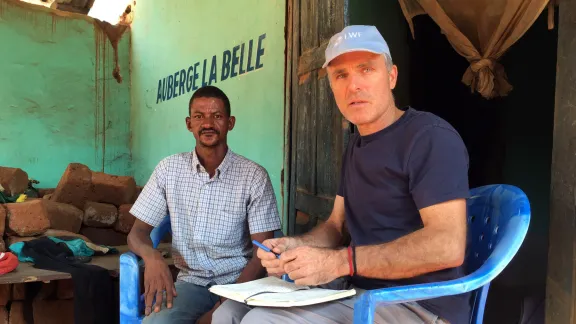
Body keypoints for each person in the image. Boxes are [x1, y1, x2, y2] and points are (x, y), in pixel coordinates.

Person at [213, 25, 470, 324]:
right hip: (359, 289)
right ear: (333, 86)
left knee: (261, 322)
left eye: (366, 69)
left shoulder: (428, 138)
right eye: (341, 75)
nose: (354, 86)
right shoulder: (356, 146)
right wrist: (294, 246)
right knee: (229, 313)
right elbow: (337, 226)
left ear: (391, 76)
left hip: (419, 304)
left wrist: (340, 262)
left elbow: (447, 246)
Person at [127, 85, 282, 324]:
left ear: (230, 123)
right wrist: (152, 257)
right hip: (192, 284)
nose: (207, 123)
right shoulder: (169, 170)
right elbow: (137, 232)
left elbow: (261, 254)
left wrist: (223, 305)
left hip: (241, 284)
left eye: (217, 116)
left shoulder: (253, 176)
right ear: (189, 123)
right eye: (199, 116)